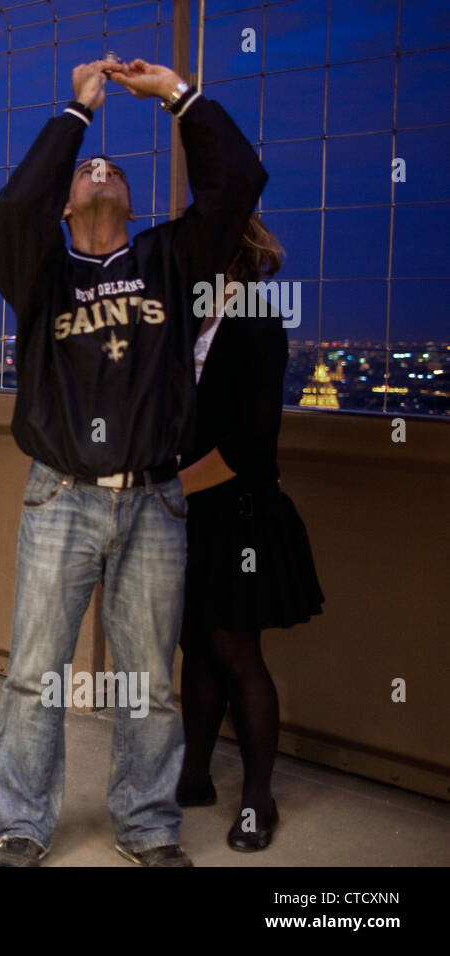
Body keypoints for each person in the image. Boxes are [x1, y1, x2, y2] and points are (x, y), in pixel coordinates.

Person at [0, 58, 267, 866]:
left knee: (149, 679)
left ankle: (147, 825)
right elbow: (13, 204)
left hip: (154, 501)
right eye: (85, 170)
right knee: (36, 670)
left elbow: (237, 180)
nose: (100, 168)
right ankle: (23, 821)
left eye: (115, 168)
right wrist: (78, 111)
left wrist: (177, 95)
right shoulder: (40, 275)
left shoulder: (171, 262)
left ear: (137, 206)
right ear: (67, 202)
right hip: (61, 497)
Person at [175, 214, 324, 851]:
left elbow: (253, 442)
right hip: (193, 518)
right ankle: (195, 773)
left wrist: (168, 487)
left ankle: (258, 799)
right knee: (196, 647)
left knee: (238, 655)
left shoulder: (257, 318)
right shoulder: (191, 314)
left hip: (240, 516)